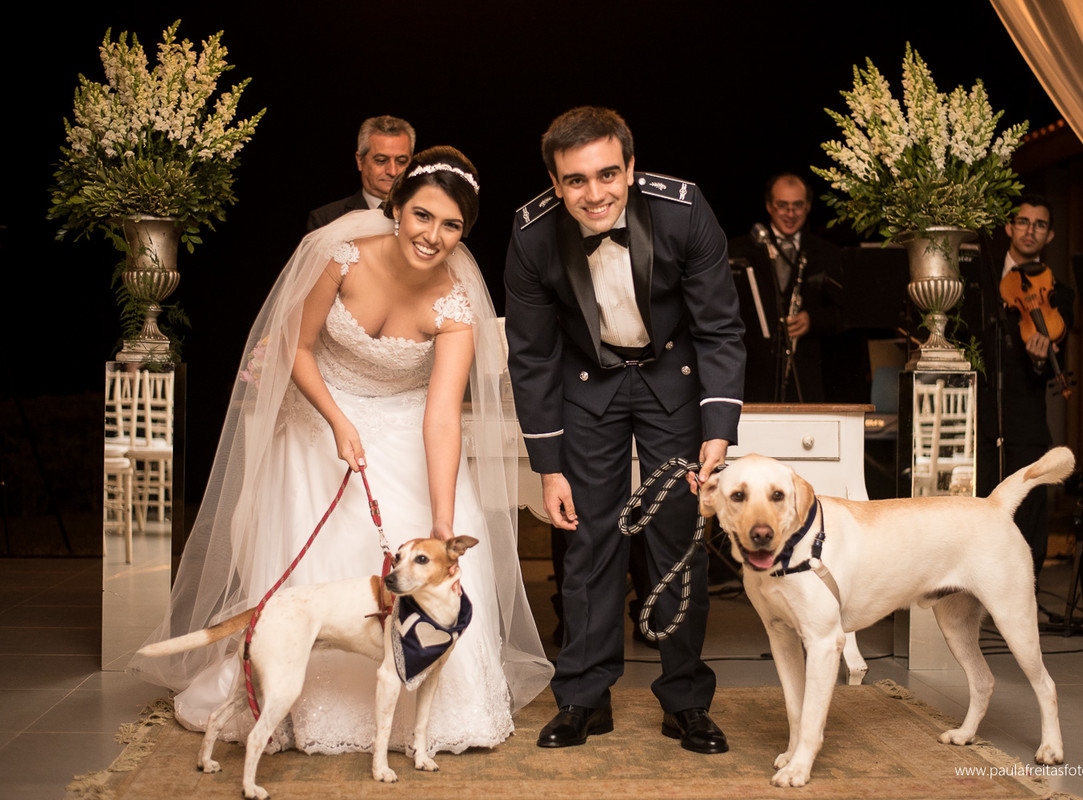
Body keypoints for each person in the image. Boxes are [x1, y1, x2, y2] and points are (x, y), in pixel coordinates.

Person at [131, 146, 552, 757]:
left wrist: (440, 523)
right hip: (320, 416)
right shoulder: (341, 256)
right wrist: (336, 421)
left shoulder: (456, 304)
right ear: (396, 208)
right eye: (423, 216)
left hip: (406, 427)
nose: (433, 236)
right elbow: (296, 349)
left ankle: (424, 716)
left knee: (417, 565)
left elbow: (440, 418)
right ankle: (290, 702)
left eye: (452, 225)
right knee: (316, 576)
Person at [505, 106, 745, 754]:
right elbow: (531, 357)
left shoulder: (682, 210)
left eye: (608, 174)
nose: (595, 193)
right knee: (589, 543)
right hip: (589, 389)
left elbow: (720, 326)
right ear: (556, 184)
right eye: (576, 181)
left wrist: (717, 432)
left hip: (673, 379)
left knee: (675, 539)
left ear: (631, 169)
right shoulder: (531, 236)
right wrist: (550, 467)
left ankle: (687, 702)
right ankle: (583, 698)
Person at [968, 195, 1074, 580]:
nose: (1030, 230)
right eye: (1023, 222)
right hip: (979, 408)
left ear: (1050, 236)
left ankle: (1023, 591)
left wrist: (1040, 358)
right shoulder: (979, 277)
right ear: (1009, 228)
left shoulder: (1059, 295)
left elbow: (1047, 372)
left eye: (1040, 225)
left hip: (1025, 412)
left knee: (1027, 503)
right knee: (977, 504)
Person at [727, 172, 866, 402]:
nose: (790, 214)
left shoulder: (829, 254)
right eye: (783, 206)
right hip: (752, 378)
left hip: (806, 380)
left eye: (797, 206)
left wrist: (813, 320)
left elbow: (848, 313)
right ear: (769, 207)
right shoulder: (738, 251)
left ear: (808, 206)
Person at [306, 116, 416, 231]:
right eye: (381, 160)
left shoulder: (426, 213)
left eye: (401, 161)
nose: (393, 171)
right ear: (360, 161)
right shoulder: (326, 219)